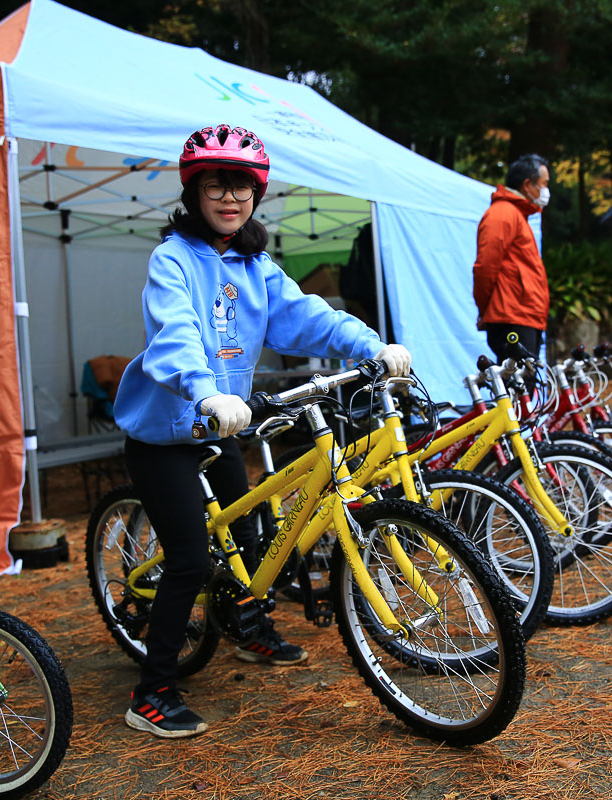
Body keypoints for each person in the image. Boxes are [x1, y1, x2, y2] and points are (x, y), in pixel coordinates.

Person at [111, 124, 411, 739]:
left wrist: (372, 346)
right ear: (195, 191)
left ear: (256, 194)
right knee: (192, 558)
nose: (231, 197)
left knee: (249, 536)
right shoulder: (173, 259)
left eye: (243, 186)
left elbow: (306, 316)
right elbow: (175, 334)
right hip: (168, 433)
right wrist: (206, 390)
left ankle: (248, 626)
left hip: (219, 429)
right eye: (217, 184)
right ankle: (152, 690)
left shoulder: (255, 264)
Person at [472, 154, 551, 362]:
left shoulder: (516, 214)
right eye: (544, 184)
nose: (545, 191)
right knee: (516, 388)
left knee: (524, 388)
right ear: (527, 184)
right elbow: (485, 267)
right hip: (513, 317)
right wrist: (484, 308)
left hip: (522, 315)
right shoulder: (503, 214)